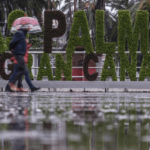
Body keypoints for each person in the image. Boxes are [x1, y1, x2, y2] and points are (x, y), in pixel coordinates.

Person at [6, 27, 40, 92]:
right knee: (20, 71)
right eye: (28, 27)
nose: (29, 28)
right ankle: (10, 84)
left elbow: (22, 46)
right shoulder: (19, 33)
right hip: (19, 57)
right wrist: (11, 49)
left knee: (24, 72)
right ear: (24, 27)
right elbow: (13, 43)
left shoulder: (22, 34)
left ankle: (30, 87)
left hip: (21, 57)